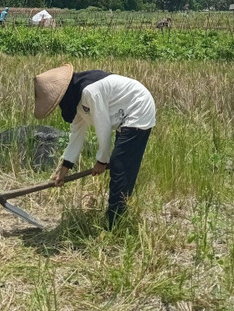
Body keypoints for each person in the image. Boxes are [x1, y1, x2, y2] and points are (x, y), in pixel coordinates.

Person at [33, 63, 155, 228]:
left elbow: (103, 126)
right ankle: (116, 219)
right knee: (121, 165)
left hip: (137, 108)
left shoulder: (89, 91)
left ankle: (114, 225)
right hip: (123, 115)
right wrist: (64, 169)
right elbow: (76, 136)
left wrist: (102, 160)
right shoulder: (76, 99)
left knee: (120, 167)